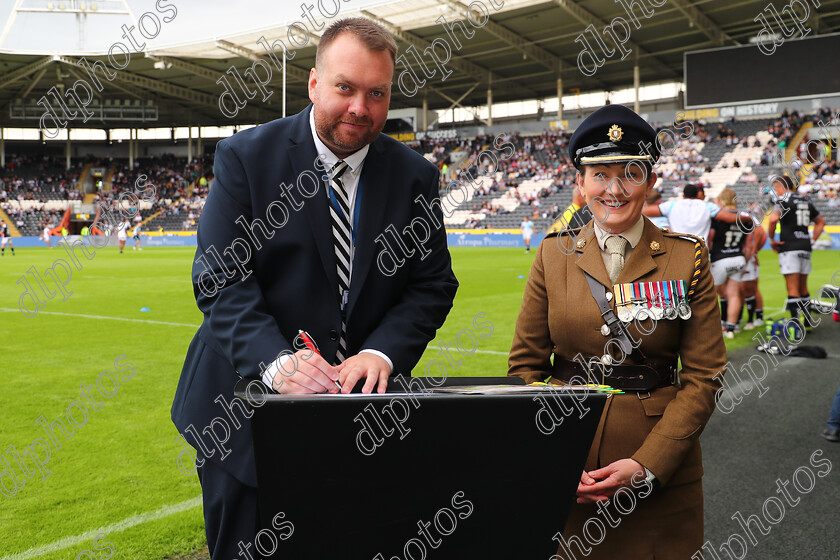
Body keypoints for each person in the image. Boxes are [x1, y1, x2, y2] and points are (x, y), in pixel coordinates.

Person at [171, 18, 458, 560]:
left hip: (361, 416)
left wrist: (383, 351)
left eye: (377, 93)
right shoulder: (245, 157)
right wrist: (276, 363)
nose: (360, 108)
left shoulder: (414, 175)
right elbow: (220, 278)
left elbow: (432, 284)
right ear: (313, 84)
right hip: (244, 418)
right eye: (345, 88)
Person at [509, 104, 726, 559]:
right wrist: (552, 459)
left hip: (661, 472)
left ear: (649, 182)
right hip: (572, 470)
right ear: (580, 183)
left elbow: (705, 376)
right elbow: (525, 370)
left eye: (629, 173)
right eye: (599, 173)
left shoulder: (688, 257)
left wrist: (648, 465)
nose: (614, 188)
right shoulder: (552, 254)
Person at [767, 175, 825, 325]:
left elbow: (773, 220)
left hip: (789, 246)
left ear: (781, 186)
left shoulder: (783, 200)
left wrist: (772, 239)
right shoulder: (805, 199)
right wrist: (812, 241)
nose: (776, 192)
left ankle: (795, 325)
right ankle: (807, 322)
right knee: (803, 287)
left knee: (792, 288)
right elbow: (821, 221)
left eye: (776, 188)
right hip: (805, 245)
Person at [707, 188, 748, 338]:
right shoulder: (744, 218)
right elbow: (748, 243)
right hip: (738, 258)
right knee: (733, 294)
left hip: (720, 258)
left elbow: (710, 239)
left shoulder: (718, 217)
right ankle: (731, 328)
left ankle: (714, 327)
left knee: (710, 295)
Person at [643, 183, 738, 243]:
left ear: (683, 195)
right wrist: (748, 218)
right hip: (701, 252)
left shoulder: (672, 205)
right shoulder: (707, 206)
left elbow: (645, 211)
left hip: (680, 251)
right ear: (697, 195)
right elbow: (731, 218)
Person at [740, 220, 767, 329]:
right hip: (744, 258)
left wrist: (754, 250)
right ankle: (740, 316)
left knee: (751, 289)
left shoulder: (747, 219)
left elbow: (761, 232)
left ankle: (758, 317)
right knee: (741, 289)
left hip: (749, 260)